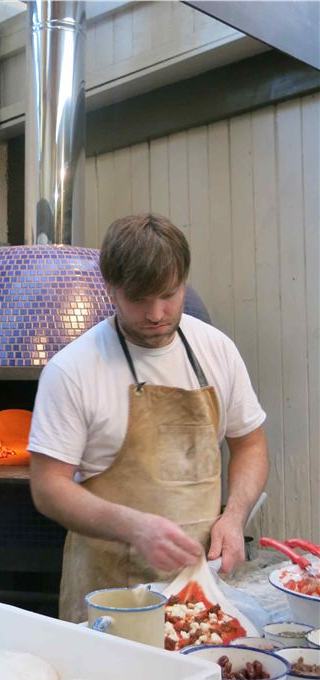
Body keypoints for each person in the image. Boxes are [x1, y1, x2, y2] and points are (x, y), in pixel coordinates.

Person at [28, 213, 269, 623]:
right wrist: (134, 527)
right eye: (139, 299)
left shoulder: (216, 350)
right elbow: (48, 487)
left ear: (184, 281)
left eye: (169, 295)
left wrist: (234, 515)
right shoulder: (73, 369)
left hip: (200, 590)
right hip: (108, 598)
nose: (157, 313)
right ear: (111, 290)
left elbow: (249, 443)